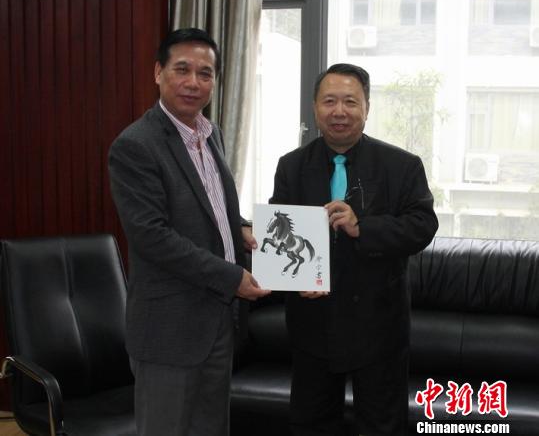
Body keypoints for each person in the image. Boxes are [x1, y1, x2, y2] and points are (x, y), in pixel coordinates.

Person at [108, 27, 270, 436]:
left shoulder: (211, 135)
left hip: (217, 322)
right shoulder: (136, 145)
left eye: (205, 73)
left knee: (212, 428)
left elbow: (208, 207)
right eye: (182, 69)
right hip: (168, 328)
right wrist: (232, 277)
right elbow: (152, 236)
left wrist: (240, 227)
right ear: (158, 72)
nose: (193, 82)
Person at [269, 63, 438, 436]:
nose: (339, 111)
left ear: (367, 108)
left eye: (350, 101)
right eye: (329, 101)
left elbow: (423, 226)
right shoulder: (291, 167)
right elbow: (280, 234)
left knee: (381, 426)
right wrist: (293, 278)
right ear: (315, 108)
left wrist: (363, 227)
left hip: (378, 326)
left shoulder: (402, 166)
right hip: (313, 325)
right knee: (310, 424)